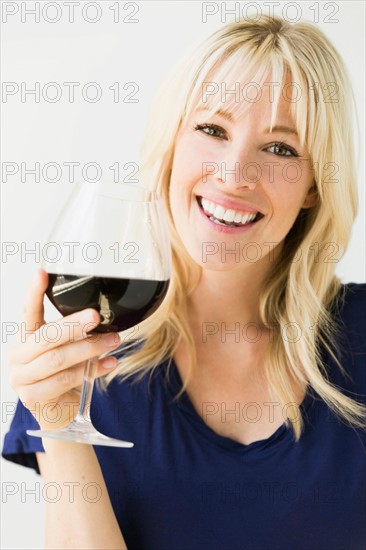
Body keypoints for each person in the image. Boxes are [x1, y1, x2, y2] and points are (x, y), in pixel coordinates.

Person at [2, 14, 366, 550]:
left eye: (282, 149)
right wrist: (57, 424)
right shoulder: (85, 364)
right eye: (212, 130)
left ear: (315, 185)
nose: (235, 173)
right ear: (171, 146)